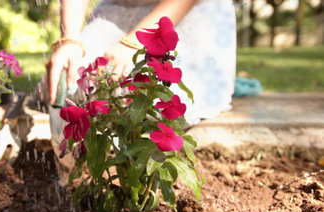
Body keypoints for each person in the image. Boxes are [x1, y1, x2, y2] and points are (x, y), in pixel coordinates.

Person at [47, 0, 236, 126]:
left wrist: (134, 43)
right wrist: (70, 40)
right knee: (73, 83)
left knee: (150, 99)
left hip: (182, 12)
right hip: (117, 11)